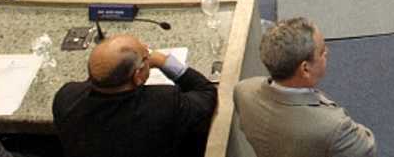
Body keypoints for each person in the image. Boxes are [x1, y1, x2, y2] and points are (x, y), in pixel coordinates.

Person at [53, 33, 216, 157]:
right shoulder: (164, 102)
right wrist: (162, 61)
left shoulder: (66, 97)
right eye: (146, 56)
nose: (147, 51)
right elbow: (206, 93)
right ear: (138, 76)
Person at [233, 17, 376, 157]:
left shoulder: (243, 90)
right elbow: (367, 149)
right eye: (321, 51)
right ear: (305, 69)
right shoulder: (334, 127)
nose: (327, 52)